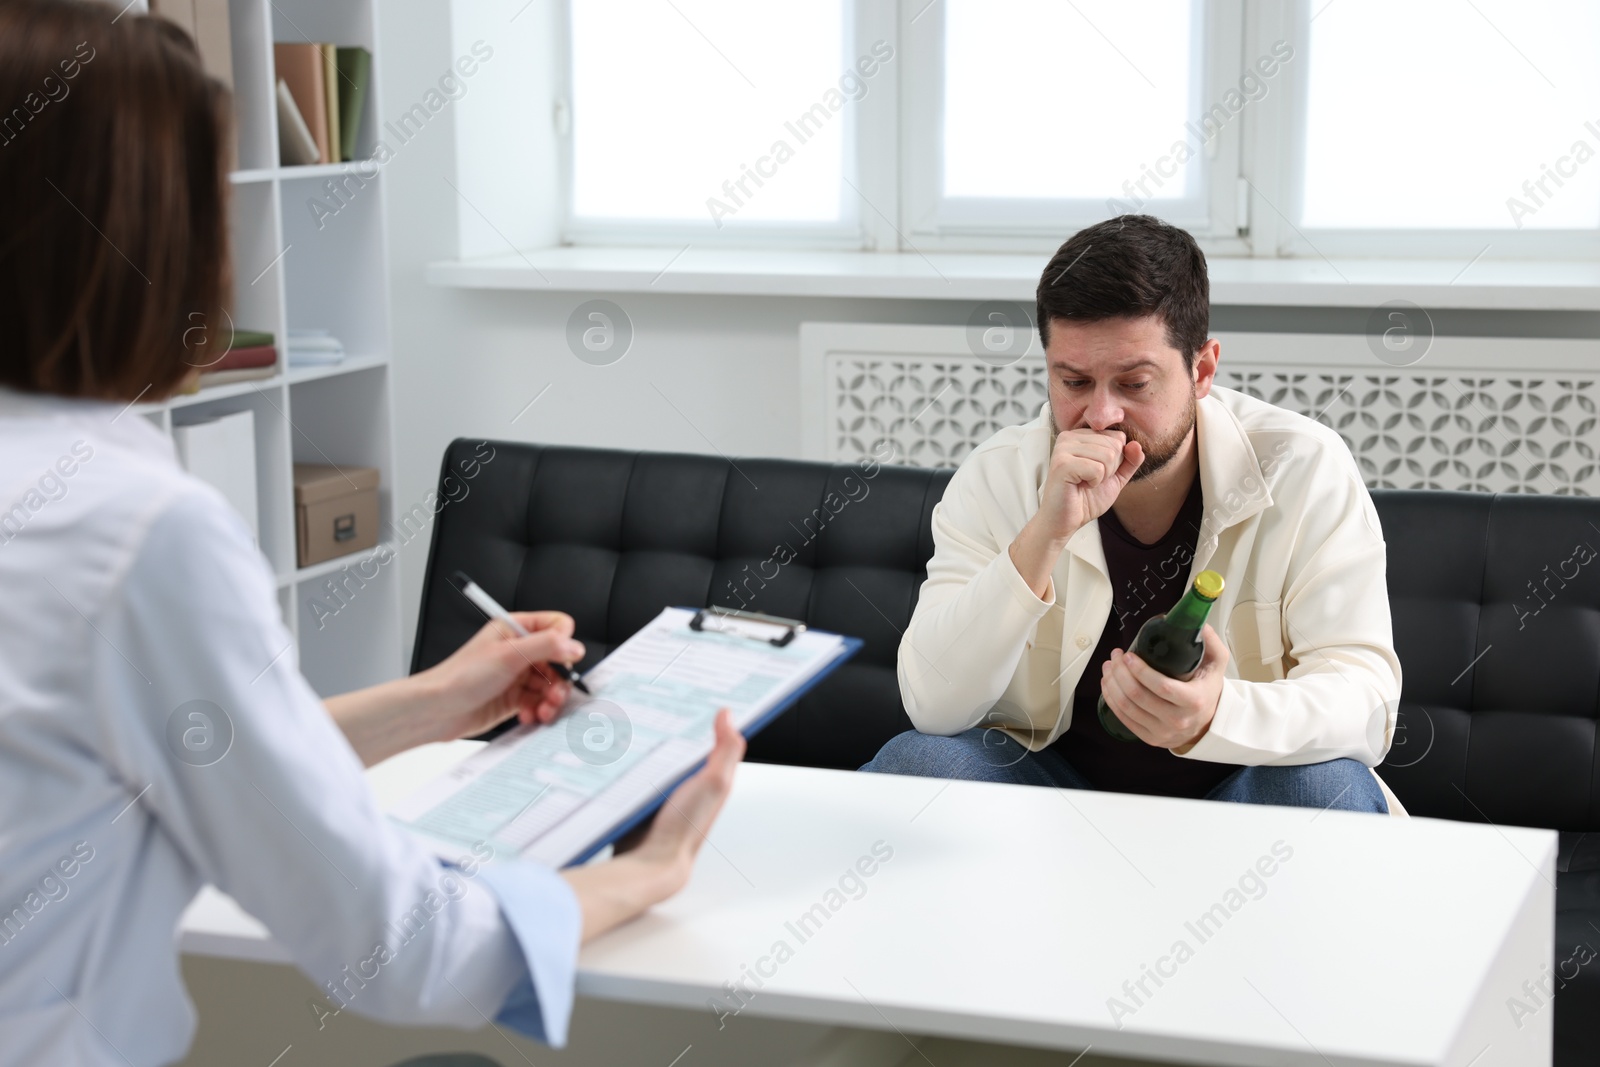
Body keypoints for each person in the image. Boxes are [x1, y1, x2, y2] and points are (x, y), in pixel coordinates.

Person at [0, 4, 744, 1065]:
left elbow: (155, 754)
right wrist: (647, 868)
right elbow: (403, 949)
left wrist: (434, 702)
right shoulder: (134, 530)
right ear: (152, 241)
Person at [861, 215, 1404, 815]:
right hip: (1054, 807)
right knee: (921, 764)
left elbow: (1367, 701)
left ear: (1201, 371)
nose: (1099, 415)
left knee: (1325, 789)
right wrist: (1045, 534)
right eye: (1073, 381)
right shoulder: (997, 474)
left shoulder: (1305, 465)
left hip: (1235, 805)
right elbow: (934, 706)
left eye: (1134, 383)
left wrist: (1217, 714)